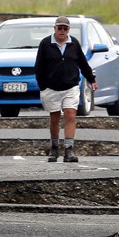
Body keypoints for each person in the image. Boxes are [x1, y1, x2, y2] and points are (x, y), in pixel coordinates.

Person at [34, 16, 97, 163]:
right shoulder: (45, 44)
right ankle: (54, 148)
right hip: (51, 88)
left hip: (71, 87)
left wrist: (91, 79)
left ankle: (69, 150)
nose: (62, 31)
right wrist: (42, 85)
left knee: (70, 114)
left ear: (69, 30)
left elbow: (83, 63)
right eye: (59, 28)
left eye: (65, 28)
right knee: (55, 118)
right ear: (54, 28)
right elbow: (38, 67)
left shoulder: (73, 43)